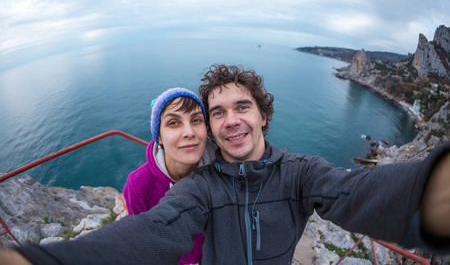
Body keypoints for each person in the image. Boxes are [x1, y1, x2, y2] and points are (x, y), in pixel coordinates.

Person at [1, 65, 450, 265]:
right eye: (218, 112)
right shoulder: (201, 185)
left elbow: (352, 192)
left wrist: (431, 197)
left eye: (243, 107)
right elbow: (160, 228)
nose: (231, 120)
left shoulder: (301, 172)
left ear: (262, 115)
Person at [123, 87, 216, 264]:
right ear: (158, 136)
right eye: (173, 122)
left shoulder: (223, 171)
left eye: (197, 120)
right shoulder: (138, 186)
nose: (189, 132)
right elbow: (145, 241)